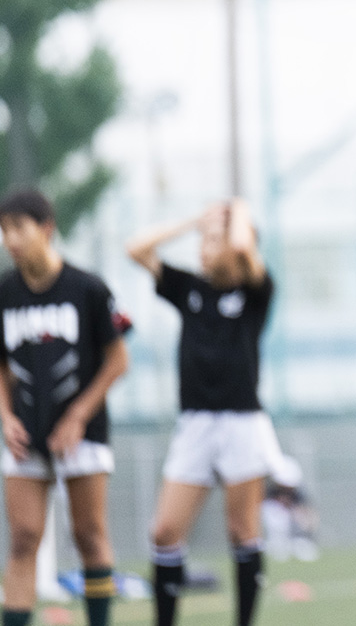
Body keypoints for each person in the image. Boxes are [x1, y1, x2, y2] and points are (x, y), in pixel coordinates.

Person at [126, 198, 275, 626]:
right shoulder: (189, 288)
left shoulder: (255, 293)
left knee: (242, 531)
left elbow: (245, 248)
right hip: (194, 424)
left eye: (213, 242)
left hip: (241, 422)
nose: (202, 249)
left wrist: (239, 209)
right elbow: (136, 248)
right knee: (164, 531)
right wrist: (194, 221)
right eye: (202, 242)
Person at [0, 188, 131, 626]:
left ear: (47, 229)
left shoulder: (87, 288)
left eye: (19, 228)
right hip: (26, 433)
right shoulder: (5, 292)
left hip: (83, 431)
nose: (10, 240)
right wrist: (4, 416)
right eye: (4, 230)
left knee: (89, 535)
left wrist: (78, 416)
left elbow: (118, 361)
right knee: (22, 539)